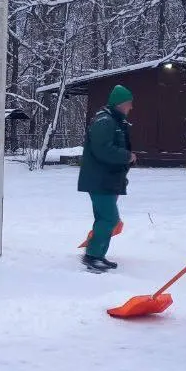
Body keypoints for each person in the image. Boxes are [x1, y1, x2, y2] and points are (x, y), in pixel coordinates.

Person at [77, 84, 137, 273]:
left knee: (104, 219)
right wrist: (126, 156)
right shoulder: (105, 121)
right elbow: (102, 149)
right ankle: (92, 256)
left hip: (107, 179)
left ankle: (98, 255)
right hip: (99, 180)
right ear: (119, 104)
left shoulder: (114, 121)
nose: (131, 108)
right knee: (109, 219)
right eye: (128, 104)